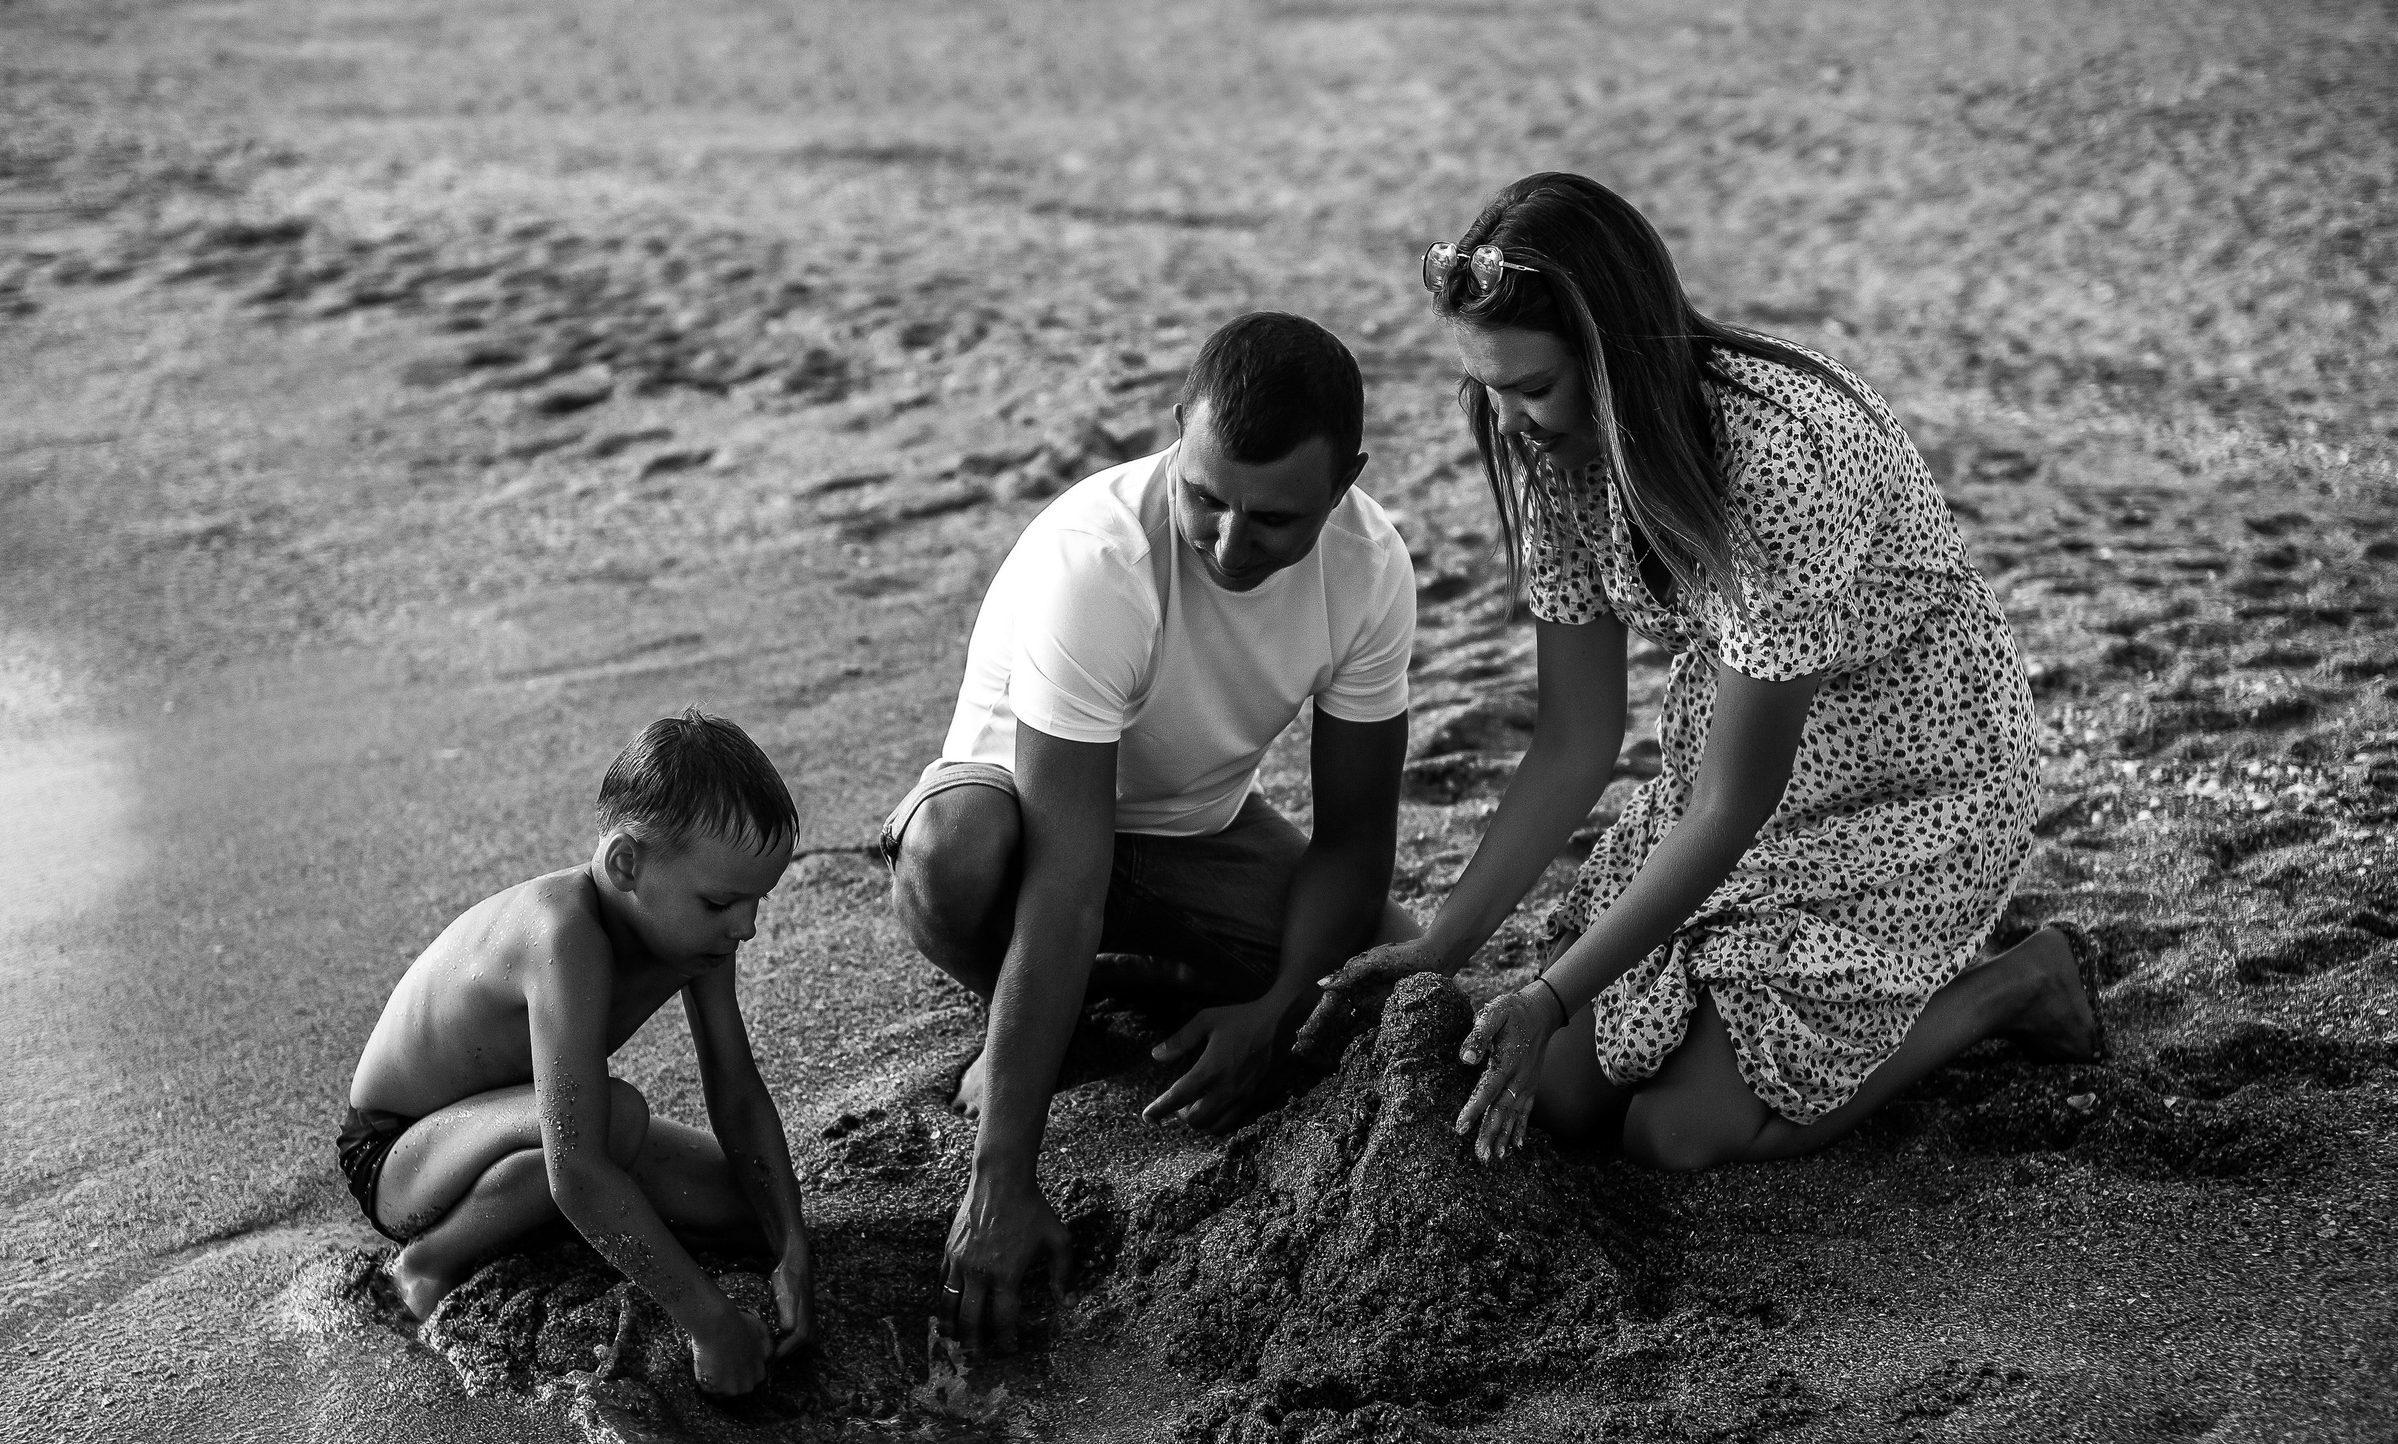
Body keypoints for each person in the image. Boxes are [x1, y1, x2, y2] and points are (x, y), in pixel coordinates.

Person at [1320, 172, 2102, 1170]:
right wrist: (1446, 939)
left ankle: (2012, 986)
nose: (1508, 422)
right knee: (1559, 1097)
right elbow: (1572, 739)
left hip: (1913, 783)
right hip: (1735, 763)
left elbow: (1738, 802)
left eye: (1531, 387)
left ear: (1615, 359)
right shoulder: (1556, 449)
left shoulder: (1784, 457)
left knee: (1674, 1134)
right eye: (1487, 386)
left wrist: (1551, 992)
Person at [889, 310, 1419, 1350]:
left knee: (1385, 963)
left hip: (1192, 834)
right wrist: (1001, 1181)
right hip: (1018, 819)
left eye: (1273, 521)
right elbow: (1063, 880)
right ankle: (1033, 1021)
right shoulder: (1100, 560)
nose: (1228, 544)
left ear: (1344, 481)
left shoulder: (1370, 571)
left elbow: (1356, 844)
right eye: (1206, 497)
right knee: (954, 854)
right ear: (1179, 430)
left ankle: (1131, 987)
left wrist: (1272, 1011)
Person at [339, 707, 813, 1396]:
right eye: (722, 902)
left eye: (755, 901)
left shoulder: (699, 935)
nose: (746, 925)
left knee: (748, 1206)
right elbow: (580, 1169)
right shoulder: (564, 936)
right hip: (401, 1155)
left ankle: (518, 1217)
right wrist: (709, 1322)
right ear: (626, 863)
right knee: (610, 1123)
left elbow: (734, 1087)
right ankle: (430, 1263)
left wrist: (791, 1242)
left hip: (517, 1129)